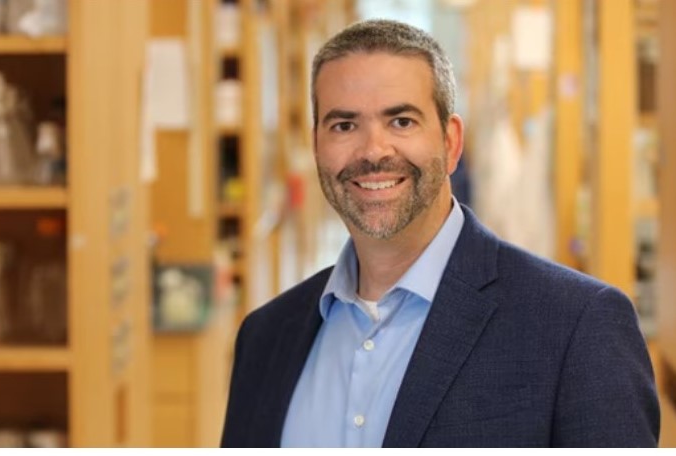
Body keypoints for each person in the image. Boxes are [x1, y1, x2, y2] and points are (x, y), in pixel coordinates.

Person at [220, 19, 659, 447]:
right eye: (344, 126)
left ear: (451, 142)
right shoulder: (264, 339)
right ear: (317, 144)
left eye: (401, 121)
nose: (373, 151)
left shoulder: (577, 327)